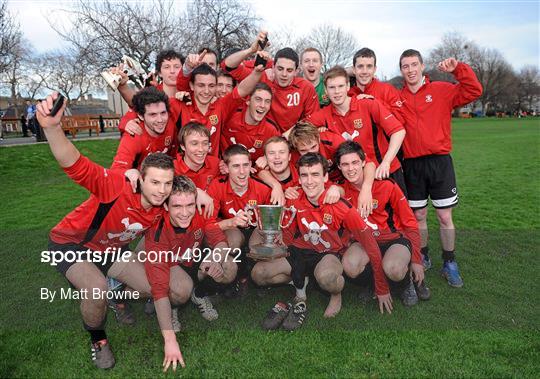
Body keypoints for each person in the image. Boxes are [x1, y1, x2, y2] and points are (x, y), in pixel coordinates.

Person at [36, 92, 175, 369]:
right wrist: (52, 128)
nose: (161, 191)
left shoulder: (165, 204)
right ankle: (98, 339)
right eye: (155, 183)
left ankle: (116, 296)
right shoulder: (116, 184)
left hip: (110, 250)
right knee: (96, 288)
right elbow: (75, 164)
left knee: (153, 288)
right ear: (140, 177)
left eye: (167, 184)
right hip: (70, 244)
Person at [252, 153, 392, 331]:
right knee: (258, 274)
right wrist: (269, 249)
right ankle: (302, 280)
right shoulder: (294, 198)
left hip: (328, 254)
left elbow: (370, 244)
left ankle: (336, 294)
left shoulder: (341, 207)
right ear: (299, 178)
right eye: (304, 175)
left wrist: (381, 287)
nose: (310, 181)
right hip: (300, 252)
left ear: (326, 177)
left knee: (328, 279)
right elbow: (287, 234)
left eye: (315, 175)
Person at [398, 50, 482, 286]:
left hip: (440, 162)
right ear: (401, 70)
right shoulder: (397, 97)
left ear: (422, 66)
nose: (411, 70)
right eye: (406, 66)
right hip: (412, 164)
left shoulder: (442, 90)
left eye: (414, 64)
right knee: (419, 215)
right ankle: (423, 255)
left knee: (444, 215)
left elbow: (474, 91)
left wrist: (458, 69)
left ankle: (449, 261)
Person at [144, 176, 237, 372]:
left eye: (190, 205)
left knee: (229, 267)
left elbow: (219, 240)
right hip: (171, 264)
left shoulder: (201, 212)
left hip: (193, 259)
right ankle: (175, 307)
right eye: (177, 206)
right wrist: (169, 340)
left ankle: (200, 294)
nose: (185, 213)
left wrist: (214, 257)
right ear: (166, 206)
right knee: (180, 289)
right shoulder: (157, 231)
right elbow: (159, 289)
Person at [335, 141, 429, 304]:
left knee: (394, 269)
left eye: (355, 162)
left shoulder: (387, 185)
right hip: (365, 242)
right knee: (349, 266)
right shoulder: (341, 192)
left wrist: (416, 259)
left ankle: (407, 282)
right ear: (339, 167)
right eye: (345, 164)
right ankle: (373, 284)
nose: (351, 169)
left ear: (364, 162)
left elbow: (410, 223)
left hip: (394, 240)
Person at [307, 66, 407, 192]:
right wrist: (314, 130)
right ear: (326, 91)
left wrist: (386, 162)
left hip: (384, 172)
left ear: (348, 87)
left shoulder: (368, 104)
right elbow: (299, 130)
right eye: (332, 87)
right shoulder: (324, 115)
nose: (337, 91)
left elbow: (398, 131)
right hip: (355, 179)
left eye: (341, 86)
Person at [223, 32, 320, 135]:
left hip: (292, 140)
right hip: (261, 139)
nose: (284, 74)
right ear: (273, 67)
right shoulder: (261, 76)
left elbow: (313, 118)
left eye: (289, 70)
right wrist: (251, 50)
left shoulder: (305, 88)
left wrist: (290, 133)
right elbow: (228, 66)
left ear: (296, 71)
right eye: (280, 68)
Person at [206, 144, 272, 296]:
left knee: (259, 239)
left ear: (251, 166)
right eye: (236, 166)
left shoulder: (263, 188)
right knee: (234, 238)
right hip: (232, 231)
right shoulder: (217, 186)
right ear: (226, 168)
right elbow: (207, 225)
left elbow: (271, 224)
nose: (242, 172)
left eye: (245, 165)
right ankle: (227, 277)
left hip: (255, 232)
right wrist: (231, 222)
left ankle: (253, 276)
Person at [111, 87, 177, 172]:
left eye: (163, 113)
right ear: (141, 116)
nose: (160, 120)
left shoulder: (171, 122)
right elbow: (117, 170)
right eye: (153, 115)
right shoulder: (134, 134)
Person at [220, 82, 280, 161]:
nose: (262, 105)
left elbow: (280, 152)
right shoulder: (230, 116)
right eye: (258, 99)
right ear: (248, 100)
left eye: (267, 101)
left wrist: (266, 158)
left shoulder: (271, 130)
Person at [348, 48, 405, 123]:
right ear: (354, 69)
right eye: (360, 66)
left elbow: (401, 119)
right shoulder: (347, 94)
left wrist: (376, 104)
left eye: (369, 66)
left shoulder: (388, 90)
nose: (365, 71)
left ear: (375, 69)